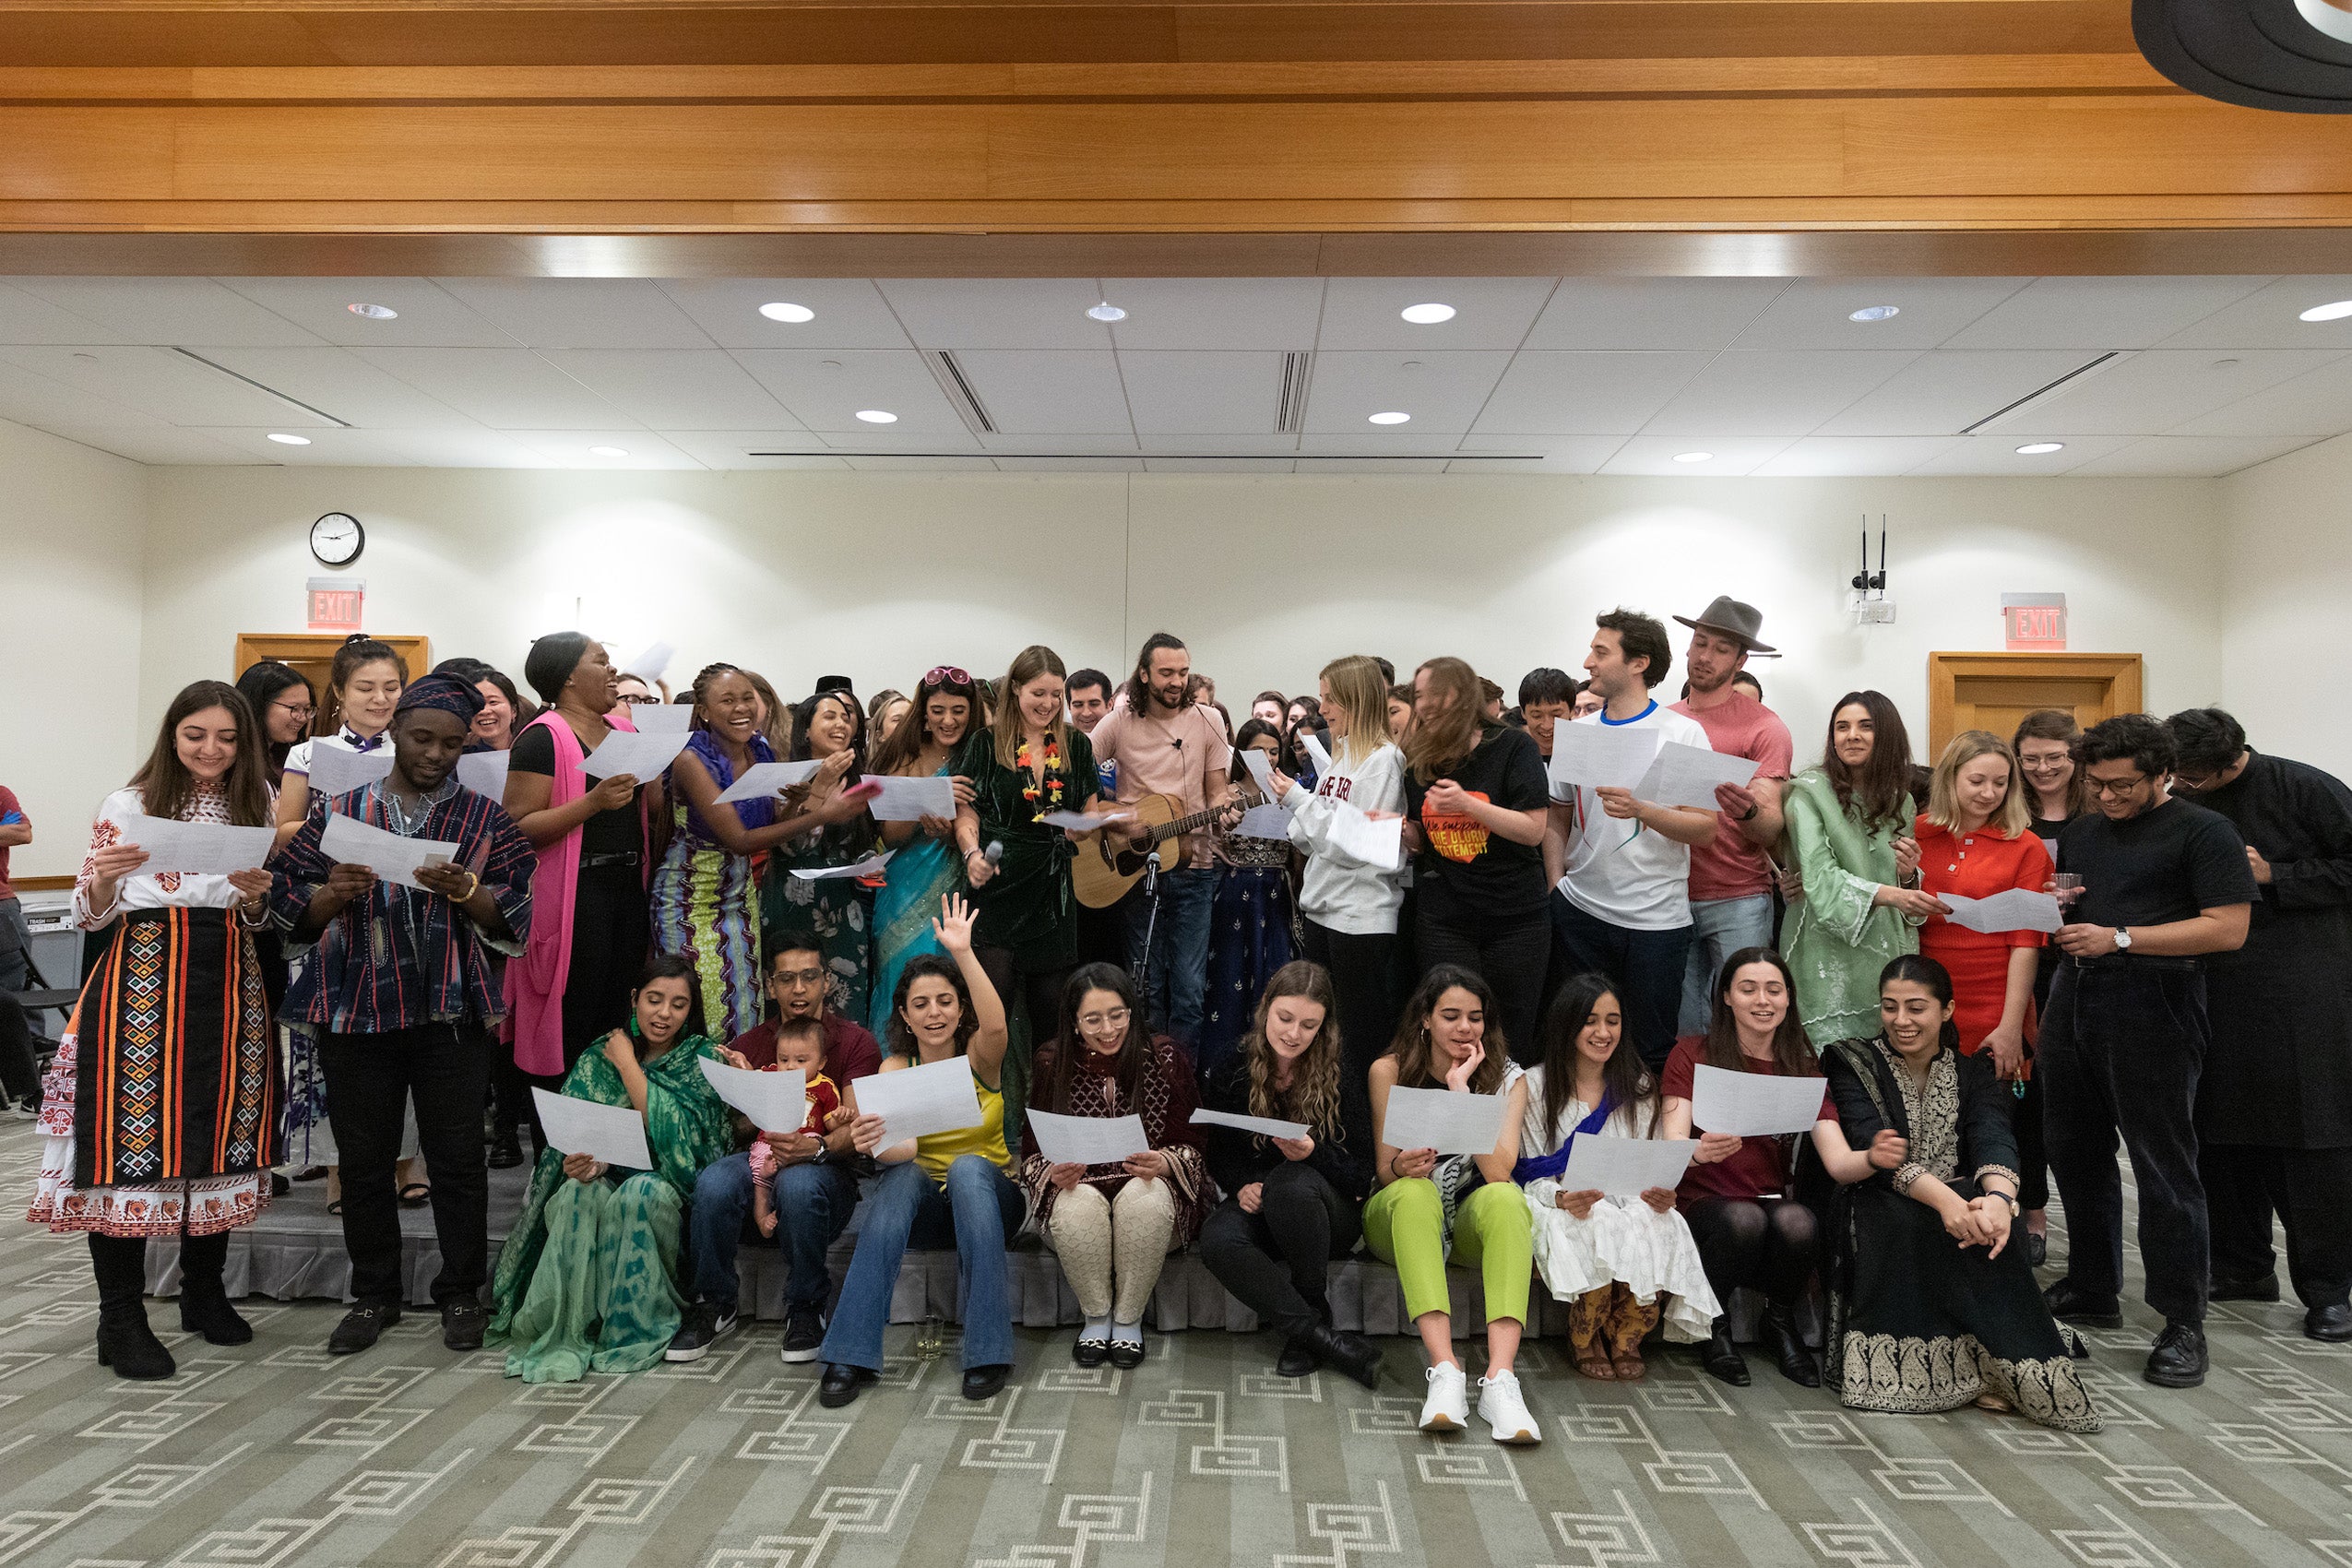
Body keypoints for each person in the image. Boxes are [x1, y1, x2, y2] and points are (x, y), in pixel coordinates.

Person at [269, 673, 537, 1358]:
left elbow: (519, 910)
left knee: (455, 1162)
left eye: (451, 743)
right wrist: (333, 893)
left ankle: (461, 1291)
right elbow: (287, 905)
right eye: (422, 738)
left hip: (450, 1012)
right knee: (364, 1162)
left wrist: (470, 891)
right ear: (395, 733)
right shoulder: (340, 813)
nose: (436, 753)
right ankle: (374, 1294)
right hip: (355, 1009)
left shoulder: (484, 819)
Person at [27, 682, 283, 1380]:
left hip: (231, 979)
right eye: (196, 734)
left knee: (221, 1127)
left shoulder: (255, 797)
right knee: (129, 1137)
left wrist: (259, 900)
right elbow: (88, 911)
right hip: (144, 975)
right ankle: (121, 1317)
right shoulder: (129, 802)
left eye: (227, 737)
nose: (212, 749)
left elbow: (255, 917)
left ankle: (203, 1292)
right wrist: (106, 880)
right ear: (172, 735)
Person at [2039, 712, 2254, 1389]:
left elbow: (2227, 929)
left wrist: (2122, 937)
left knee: (2164, 1169)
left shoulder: (2204, 830)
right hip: (2074, 1000)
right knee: (2073, 1150)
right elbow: (2079, 910)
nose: (2108, 798)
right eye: (2096, 784)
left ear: (2163, 773)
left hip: (2157, 1006)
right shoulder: (2082, 829)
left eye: (2124, 786)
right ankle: (2093, 1284)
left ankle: (2183, 1321)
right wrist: (2061, 908)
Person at [1817, 956, 2099, 1431]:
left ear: (1947, 1010)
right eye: (1889, 1007)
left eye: (1915, 1007)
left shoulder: (1972, 1072)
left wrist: (1998, 1201)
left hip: (1960, 1201)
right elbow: (1873, 1147)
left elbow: (1994, 1137)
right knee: (1910, 1217)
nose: (1900, 1020)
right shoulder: (1851, 1062)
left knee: (1989, 1223)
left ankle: (1996, 1367)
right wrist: (1948, 1204)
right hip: (1873, 1194)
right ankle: (1969, 1367)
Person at [2168, 707, 2352, 1341]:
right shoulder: (2180, 802)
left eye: (2190, 777)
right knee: (2218, 1132)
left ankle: (2329, 1291)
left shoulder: (2306, 789)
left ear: (2226, 762)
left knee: (2310, 1142)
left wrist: (2280, 875)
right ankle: (2243, 1266)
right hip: (2212, 983)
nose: (2179, 786)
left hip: (2304, 991)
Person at [817, 896, 1027, 1406]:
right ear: (906, 1018)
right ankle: (850, 1352)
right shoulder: (895, 1068)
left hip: (992, 1201)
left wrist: (964, 952)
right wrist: (874, 1142)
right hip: (930, 1210)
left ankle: (988, 1350)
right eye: (920, 1004)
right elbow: (902, 1150)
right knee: (904, 1176)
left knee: (968, 1169)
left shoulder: (981, 1057)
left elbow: (997, 1027)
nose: (934, 1012)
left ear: (960, 1009)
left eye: (945, 1001)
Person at [486, 954, 735, 1383]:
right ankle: (576, 1326)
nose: (664, 1014)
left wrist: (629, 1065)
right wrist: (579, 1162)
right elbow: (571, 1133)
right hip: (605, 1176)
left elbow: (687, 1146)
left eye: (678, 1004)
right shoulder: (599, 1055)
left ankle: (632, 1327)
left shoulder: (703, 1060)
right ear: (635, 999)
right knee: (577, 1194)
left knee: (639, 1194)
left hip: (666, 1188)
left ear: (691, 1010)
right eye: (654, 1000)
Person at [672, 933, 884, 1364]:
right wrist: (753, 1098)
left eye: (810, 977)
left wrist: (817, 1147)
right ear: (770, 985)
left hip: (828, 1169)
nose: (799, 989)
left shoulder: (856, 1042)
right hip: (760, 1156)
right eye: (787, 979)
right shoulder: (750, 1044)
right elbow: (733, 1129)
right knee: (713, 1182)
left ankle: (806, 1306)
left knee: (801, 1184)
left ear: (827, 980)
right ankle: (714, 1301)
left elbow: (854, 1125)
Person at [502, 634, 657, 1170]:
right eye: (601, 661)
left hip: (625, 894)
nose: (613, 670)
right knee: (571, 1025)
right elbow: (517, 829)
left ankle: (611, 1155)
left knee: (617, 1022)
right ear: (567, 677)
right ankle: (558, 1161)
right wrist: (591, 803)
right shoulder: (541, 738)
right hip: (575, 901)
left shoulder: (623, 730)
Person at [1368, 965, 1539, 1442]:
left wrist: (1463, 1097)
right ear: (1425, 1019)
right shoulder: (1390, 1069)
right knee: (1415, 1191)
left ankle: (1500, 1380)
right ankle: (1444, 1370)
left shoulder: (1508, 1079)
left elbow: (1499, 1172)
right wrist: (1405, 1166)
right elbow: (1385, 1172)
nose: (1465, 1028)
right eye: (1451, 1016)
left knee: (1506, 1199)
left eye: (1475, 1017)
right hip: (1399, 1215)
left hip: (1463, 1221)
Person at [1519, 975, 1718, 1382]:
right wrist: (1561, 1198)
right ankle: (1585, 1335)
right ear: (1567, 1024)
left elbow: (1650, 1162)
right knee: (1592, 1219)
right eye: (1590, 1021)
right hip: (1557, 1201)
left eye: (1613, 1021)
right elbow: (1527, 1169)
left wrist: (1661, 1194)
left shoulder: (1639, 1085)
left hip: (1625, 1198)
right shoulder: (1535, 1085)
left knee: (1662, 1219)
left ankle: (1628, 1335)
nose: (1603, 1032)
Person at [1547, 610, 1716, 1071]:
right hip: (1580, 911)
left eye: (1601, 652)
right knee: (1575, 1044)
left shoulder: (1684, 733)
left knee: (1649, 1049)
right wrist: (1555, 886)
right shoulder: (1578, 733)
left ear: (1639, 663)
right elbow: (1557, 817)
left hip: (1655, 922)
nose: (1588, 662)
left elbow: (1705, 827)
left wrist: (1644, 810)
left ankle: (1644, 1143)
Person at [1196, 961, 1381, 1386]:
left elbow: (1360, 1175)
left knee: (1290, 1184)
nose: (1294, 1033)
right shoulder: (1234, 1065)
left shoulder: (1341, 1069)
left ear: (1324, 1026)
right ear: (1265, 1008)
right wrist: (1240, 1184)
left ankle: (1310, 1307)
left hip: (1326, 1212)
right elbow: (1219, 1152)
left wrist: (1313, 1152)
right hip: (1263, 1203)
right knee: (1218, 1238)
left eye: (1309, 1024)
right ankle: (1316, 1332)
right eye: (1285, 1018)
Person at [1661, 947, 1837, 1388]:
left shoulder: (1799, 1063)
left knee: (1800, 1221)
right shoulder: (1693, 1053)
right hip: (1703, 1198)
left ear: (1788, 999)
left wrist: (1875, 1157)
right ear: (1725, 998)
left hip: (1770, 1199)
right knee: (1742, 1219)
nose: (1763, 1000)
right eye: (1749, 989)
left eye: (1774, 990)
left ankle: (1778, 1322)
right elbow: (1671, 1144)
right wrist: (1698, 1151)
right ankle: (1713, 1323)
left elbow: (1838, 1158)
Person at [1019, 964, 1210, 1368]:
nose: (1107, 1029)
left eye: (1117, 1015)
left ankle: (1127, 1319)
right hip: (1080, 1195)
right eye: (1092, 1019)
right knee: (1074, 1203)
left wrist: (1165, 1161)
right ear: (1073, 1022)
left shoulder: (1165, 1057)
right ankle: (1096, 1315)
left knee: (1144, 1197)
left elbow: (1195, 1141)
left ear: (1132, 1012)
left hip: (1152, 1199)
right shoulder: (1052, 1062)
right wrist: (1051, 1173)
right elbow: (1032, 1150)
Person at [653, 664, 854, 1041]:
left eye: (748, 698)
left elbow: (774, 821)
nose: (741, 708)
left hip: (739, 895)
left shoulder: (759, 749)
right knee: (705, 1010)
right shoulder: (690, 760)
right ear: (704, 709)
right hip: (689, 900)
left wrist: (796, 803)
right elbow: (741, 840)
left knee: (747, 1006)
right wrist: (823, 811)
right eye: (727, 700)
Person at [1914, 732, 2053, 1265]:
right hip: (1925, 996)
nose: (1990, 792)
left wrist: (2011, 1023)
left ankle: (2000, 1226)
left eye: (2001, 782)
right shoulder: (1917, 833)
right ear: (1950, 779)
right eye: (1977, 780)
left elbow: (2027, 942)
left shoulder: (2026, 845)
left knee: (1996, 1117)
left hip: (1996, 995)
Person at [1272, 654, 1408, 1143]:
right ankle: (1331, 1135)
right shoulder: (1344, 756)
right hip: (1326, 910)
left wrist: (1301, 802)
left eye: (1329, 698)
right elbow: (1312, 836)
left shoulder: (1383, 760)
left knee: (1359, 1043)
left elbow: (1360, 844)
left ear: (1354, 700)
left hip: (1361, 917)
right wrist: (1303, 808)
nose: (1322, 708)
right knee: (1327, 1040)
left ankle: (1370, 1147)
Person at [1085, 634, 1239, 1047]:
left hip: (1196, 868)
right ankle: (1144, 1077)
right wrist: (1119, 820)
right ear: (1144, 674)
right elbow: (1078, 779)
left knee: (1189, 991)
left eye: (1183, 673)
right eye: (1167, 673)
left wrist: (1228, 808)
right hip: (1137, 871)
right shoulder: (1118, 721)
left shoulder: (1209, 719)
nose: (1177, 681)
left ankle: (1179, 1086)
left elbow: (1218, 791)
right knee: (1145, 987)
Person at [956, 645, 1111, 1053]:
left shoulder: (1076, 745)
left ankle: (1044, 1108)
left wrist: (1090, 828)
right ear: (1016, 691)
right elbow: (966, 811)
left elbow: (1088, 813)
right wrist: (972, 854)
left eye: (1055, 694)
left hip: (1052, 889)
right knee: (992, 1014)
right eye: (1038, 693)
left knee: (1051, 1018)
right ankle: (990, 1108)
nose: (1048, 703)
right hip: (997, 883)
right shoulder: (986, 744)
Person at [1399, 659, 1551, 1063]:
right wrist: (1404, 832)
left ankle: (1507, 1118)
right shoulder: (1417, 758)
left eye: (1435, 695)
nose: (1425, 705)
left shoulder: (1512, 746)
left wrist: (1467, 804)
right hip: (1445, 917)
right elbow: (1424, 837)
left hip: (1515, 916)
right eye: (1419, 696)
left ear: (1462, 696)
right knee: (1449, 1027)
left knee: (1511, 1030)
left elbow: (1533, 829)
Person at [1669, 598, 1796, 1038]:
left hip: (1738, 894)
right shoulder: (1665, 721)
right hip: (1668, 893)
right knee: (1683, 1022)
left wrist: (1747, 811)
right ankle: (1688, 1105)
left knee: (1745, 1022)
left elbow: (1770, 829)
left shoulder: (1764, 726)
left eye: (1721, 649)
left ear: (1741, 660)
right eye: (1699, 642)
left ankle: (1739, 1103)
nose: (1705, 656)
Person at [1781, 691, 1933, 1047]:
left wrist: (1909, 874)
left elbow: (1900, 880)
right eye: (1841, 727)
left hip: (1884, 945)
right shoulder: (1808, 793)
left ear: (1887, 735)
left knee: (1885, 1057)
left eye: (1866, 726)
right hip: (1822, 943)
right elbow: (1819, 874)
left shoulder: (1902, 799)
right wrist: (1898, 894)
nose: (1852, 735)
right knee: (1827, 1056)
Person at [865, 667, 980, 1039]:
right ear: (925, 715)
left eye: (958, 711)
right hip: (904, 888)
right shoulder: (906, 755)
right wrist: (926, 803)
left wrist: (951, 835)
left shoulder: (979, 754)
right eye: (939, 711)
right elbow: (891, 835)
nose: (949, 720)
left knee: (950, 987)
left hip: (960, 884)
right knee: (902, 978)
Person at [2010, 707, 2086, 1265]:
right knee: (2027, 1098)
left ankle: (2088, 1233)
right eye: (2030, 758)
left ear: (2074, 756)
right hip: (2022, 965)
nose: (2042, 768)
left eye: (2054, 758)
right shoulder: (2011, 813)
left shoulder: (2099, 813)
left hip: (2087, 963)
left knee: (2079, 1103)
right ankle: (2032, 1215)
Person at [765, 685, 876, 1024]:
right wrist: (820, 785)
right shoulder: (784, 777)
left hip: (844, 910)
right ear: (806, 729)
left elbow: (863, 841)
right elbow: (788, 845)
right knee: (791, 1009)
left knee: (845, 1012)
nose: (841, 723)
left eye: (846, 717)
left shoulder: (857, 776)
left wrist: (870, 866)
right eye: (830, 716)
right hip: (793, 907)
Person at [1199, 719, 1297, 1076]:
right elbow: (1210, 833)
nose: (1269, 758)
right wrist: (1219, 832)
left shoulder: (1290, 790)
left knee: (1273, 974)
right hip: (1238, 891)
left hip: (1276, 893)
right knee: (1229, 978)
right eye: (1259, 751)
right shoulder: (1227, 792)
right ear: (1242, 752)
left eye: (1274, 751)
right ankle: (1222, 1074)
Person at [274, 634, 406, 851]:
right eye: (365, 689)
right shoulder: (308, 753)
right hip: (325, 875)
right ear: (339, 691)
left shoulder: (410, 753)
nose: (381, 699)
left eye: (391, 688)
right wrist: (343, 826)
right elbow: (284, 833)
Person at [744, 1016, 850, 1238]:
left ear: (821, 1062)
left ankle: (777, 1181)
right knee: (760, 1181)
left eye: (801, 1060)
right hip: (769, 1142)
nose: (790, 1066)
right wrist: (742, 1067)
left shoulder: (824, 1086)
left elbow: (830, 1124)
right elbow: (748, 1084)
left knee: (804, 1159)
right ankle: (762, 1217)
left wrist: (841, 1117)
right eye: (784, 1059)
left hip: (804, 1149)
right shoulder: (772, 1075)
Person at [1063, 667, 1125, 968]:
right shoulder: (1057, 751)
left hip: (1118, 871)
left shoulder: (1125, 750)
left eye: (1093, 704)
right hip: (1073, 872)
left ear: (1110, 704)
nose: (1086, 712)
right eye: (1077, 705)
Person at [234, 659, 316, 790]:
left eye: (307, 709)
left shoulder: (289, 759)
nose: (302, 718)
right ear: (260, 705)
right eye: (294, 708)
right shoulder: (232, 758)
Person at [1516, 668, 1577, 773]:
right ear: (1523, 713)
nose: (1547, 725)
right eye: (1537, 716)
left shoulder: (1586, 757)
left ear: (1572, 710)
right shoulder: (1513, 760)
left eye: (1556, 715)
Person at [0, 779, 27, 998]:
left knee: (17, 988)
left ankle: (29, 1034)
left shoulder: (1, 795)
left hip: (2, 905)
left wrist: (8, 831)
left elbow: (22, 833)